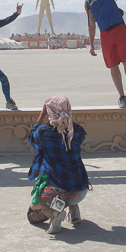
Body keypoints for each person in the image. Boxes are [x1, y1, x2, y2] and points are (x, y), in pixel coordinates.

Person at [27, 96, 89, 234]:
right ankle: (74, 210)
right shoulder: (78, 131)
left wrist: (41, 115)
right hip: (80, 189)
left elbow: (32, 138)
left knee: (31, 216)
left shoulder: (43, 133)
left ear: (50, 112)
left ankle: (56, 217)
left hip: (54, 195)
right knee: (70, 164)